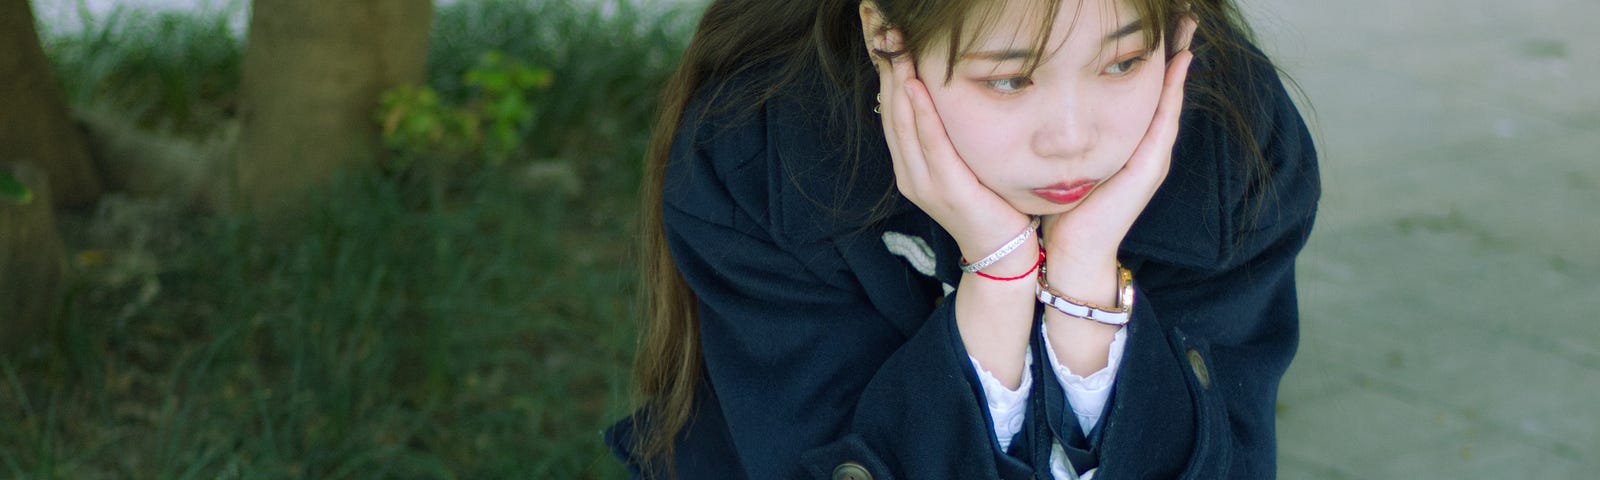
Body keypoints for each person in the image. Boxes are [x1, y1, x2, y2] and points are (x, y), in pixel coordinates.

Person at [606, 0, 1319, 477]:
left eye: (1123, 63)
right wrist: (1001, 282)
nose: (1072, 139)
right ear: (888, 35)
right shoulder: (765, 159)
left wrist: (1084, 283)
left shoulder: (1233, 147)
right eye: (1010, 80)